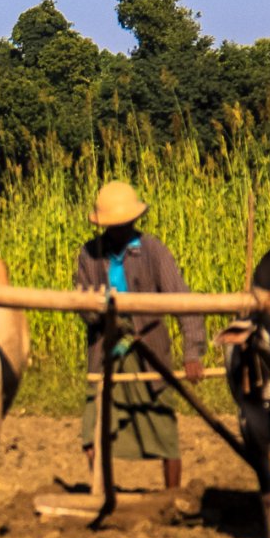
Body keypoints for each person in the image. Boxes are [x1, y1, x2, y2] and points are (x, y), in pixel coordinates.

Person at [77, 180, 206, 491]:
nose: (117, 231)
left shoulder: (153, 250)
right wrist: (100, 309)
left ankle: (171, 495)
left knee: (165, 432)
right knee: (92, 431)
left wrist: (193, 352)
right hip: (107, 352)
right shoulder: (90, 255)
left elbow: (183, 301)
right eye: (112, 226)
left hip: (150, 351)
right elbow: (82, 304)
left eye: (123, 225)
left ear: (133, 221)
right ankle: (104, 491)